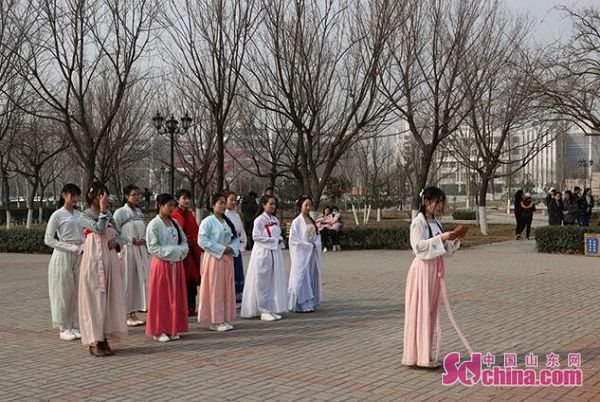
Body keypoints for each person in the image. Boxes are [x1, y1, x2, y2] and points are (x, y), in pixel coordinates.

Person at [402, 186, 471, 369]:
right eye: (437, 202)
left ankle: (426, 354)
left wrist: (454, 238)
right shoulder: (418, 223)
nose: (440, 205)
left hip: (435, 269)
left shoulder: (436, 223)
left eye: (442, 202)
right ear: (427, 203)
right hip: (423, 270)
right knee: (421, 311)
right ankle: (419, 356)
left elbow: (443, 247)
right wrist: (441, 238)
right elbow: (418, 247)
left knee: (431, 312)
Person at [78, 183, 127, 357]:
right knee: (94, 300)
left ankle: (105, 337)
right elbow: (98, 229)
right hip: (93, 260)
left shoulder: (110, 215)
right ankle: (94, 340)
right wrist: (103, 210)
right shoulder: (84, 215)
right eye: (100, 195)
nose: (103, 198)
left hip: (110, 259)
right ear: (92, 196)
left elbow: (121, 233)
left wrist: (118, 242)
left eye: (105, 194)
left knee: (108, 300)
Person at [145, 194, 189, 342]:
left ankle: (172, 327)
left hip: (176, 265)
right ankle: (158, 329)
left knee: (175, 296)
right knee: (161, 297)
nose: (171, 208)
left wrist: (181, 252)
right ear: (160, 205)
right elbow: (153, 247)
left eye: (172, 205)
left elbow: (184, 241)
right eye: (168, 205)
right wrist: (173, 252)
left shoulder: (175, 223)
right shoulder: (154, 224)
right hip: (162, 265)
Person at [44, 183, 85, 341]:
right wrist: (70, 247)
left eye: (76, 196)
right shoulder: (57, 215)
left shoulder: (79, 214)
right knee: (63, 291)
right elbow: (48, 239)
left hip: (79, 254)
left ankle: (73, 324)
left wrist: (83, 245)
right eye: (72, 195)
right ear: (64, 195)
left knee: (76, 291)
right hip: (62, 256)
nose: (75, 199)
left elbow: (84, 233)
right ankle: (63, 326)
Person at [241, 195, 288, 321]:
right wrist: (273, 241)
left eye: (274, 204)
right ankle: (263, 309)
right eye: (270, 204)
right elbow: (256, 236)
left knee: (273, 280)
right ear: (263, 205)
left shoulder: (275, 220)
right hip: (263, 252)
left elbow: (278, 234)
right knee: (262, 281)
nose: (273, 206)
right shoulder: (259, 220)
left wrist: (279, 240)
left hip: (274, 253)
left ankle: (271, 307)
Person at [198, 193, 240, 332]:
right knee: (215, 288)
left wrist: (232, 248)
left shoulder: (227, 221)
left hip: (227, 259)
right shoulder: (207, 222)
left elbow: (235, 238)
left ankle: (224, 317)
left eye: (223, 203)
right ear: (213, 205)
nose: (222, 205)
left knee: (226, 288)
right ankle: (214, 320)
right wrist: (222, 249)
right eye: (219, 203)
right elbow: (202, 241)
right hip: (214, 259)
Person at [113, 185, 149, 327]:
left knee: (137, 281)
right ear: (126, 196)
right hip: (127, 251)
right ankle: (126, 313)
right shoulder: (120, 213)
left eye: (138, 194)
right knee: (127, 280)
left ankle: (134, 311)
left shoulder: (139, 212)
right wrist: (130, 240)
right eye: (133, 194)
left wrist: (143, 240)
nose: (137, 197)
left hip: (140, 251)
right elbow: (115, 233)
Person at [171, 189, 202, 316]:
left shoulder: (190, 214)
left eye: (188, 198)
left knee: (192, 279)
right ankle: (181, 306)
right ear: (178, 199)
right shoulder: (174, 215)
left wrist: (193, 240)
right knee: (181, 279)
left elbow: (196, 230)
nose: (187, 201)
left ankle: (191, 306)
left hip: (191, 251)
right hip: (180, 251)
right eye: (184, 198)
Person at [288, 196, 322, 313]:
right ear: (300, 207)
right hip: (302, 254)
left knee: (311, 276)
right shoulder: (296, 222)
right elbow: (294, 239)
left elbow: (317, 236)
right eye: (306, 205)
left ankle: (310, 301)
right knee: (302, 277)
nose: (308, 208)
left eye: (309, 205)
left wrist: (315, 244)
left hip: (311, 253)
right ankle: (301, 303)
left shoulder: (311, 220)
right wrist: (307, 245)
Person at [224, 190, 247, 304]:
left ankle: (238, 296)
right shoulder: (224, 216)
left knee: (238, 272)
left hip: (237, 248)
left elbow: (241, 232)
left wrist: (242, 245)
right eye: (231, 200)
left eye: (235, 200)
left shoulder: (236, 215)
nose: (233, 202)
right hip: (228, 249)